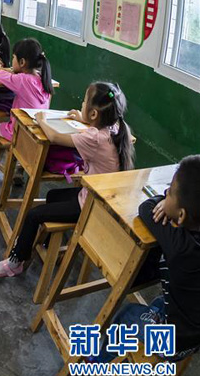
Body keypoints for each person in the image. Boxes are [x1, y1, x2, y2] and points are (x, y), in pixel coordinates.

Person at [0, 82, 134, 278]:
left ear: (94, 114)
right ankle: (47, 243)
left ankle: (15, 263)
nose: (82, 104)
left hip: (91, 207)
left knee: (33, 215)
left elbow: (53, 136)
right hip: (100, 200)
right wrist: (83, 118)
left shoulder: (95, 138)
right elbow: (94, 132)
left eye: (84, 101)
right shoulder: (117, 127)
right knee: (53, 195)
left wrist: (41, 119)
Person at [94, 155, 200, 363]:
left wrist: (161, 200)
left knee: (127, 315)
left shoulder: (182, 247)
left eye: (170, 192)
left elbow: (146, 208)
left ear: (181, 216)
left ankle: (97, 362)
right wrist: (171, 200)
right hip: (193, 332)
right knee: (159, 302)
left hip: (173, 343)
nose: (166, 193)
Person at [0, 38, 54, 190]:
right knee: (20, 130)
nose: (12, 60)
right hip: (36, 134)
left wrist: (8, 71)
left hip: (18, 134)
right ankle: (19, 170)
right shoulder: (45, 80)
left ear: (22, 62)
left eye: (13, 57)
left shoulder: (22, 80)